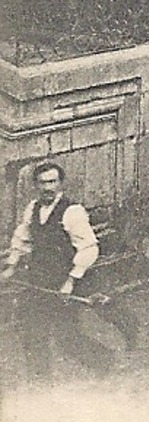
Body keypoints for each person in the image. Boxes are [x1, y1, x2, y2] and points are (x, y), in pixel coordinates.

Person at [2, 160, 107, 380]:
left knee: (66, 336)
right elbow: (23, 237)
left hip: (63, 281)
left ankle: (104, 361)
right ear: (36, 185)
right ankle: (42, 382)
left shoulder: (72, 212)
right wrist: (11, 267)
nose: (48, 187)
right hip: (38, 279)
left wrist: (70, 282)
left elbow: (89, 248)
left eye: (52, 182)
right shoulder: (33, 208)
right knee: (32, 332)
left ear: (60, 183)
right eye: (42, 183)